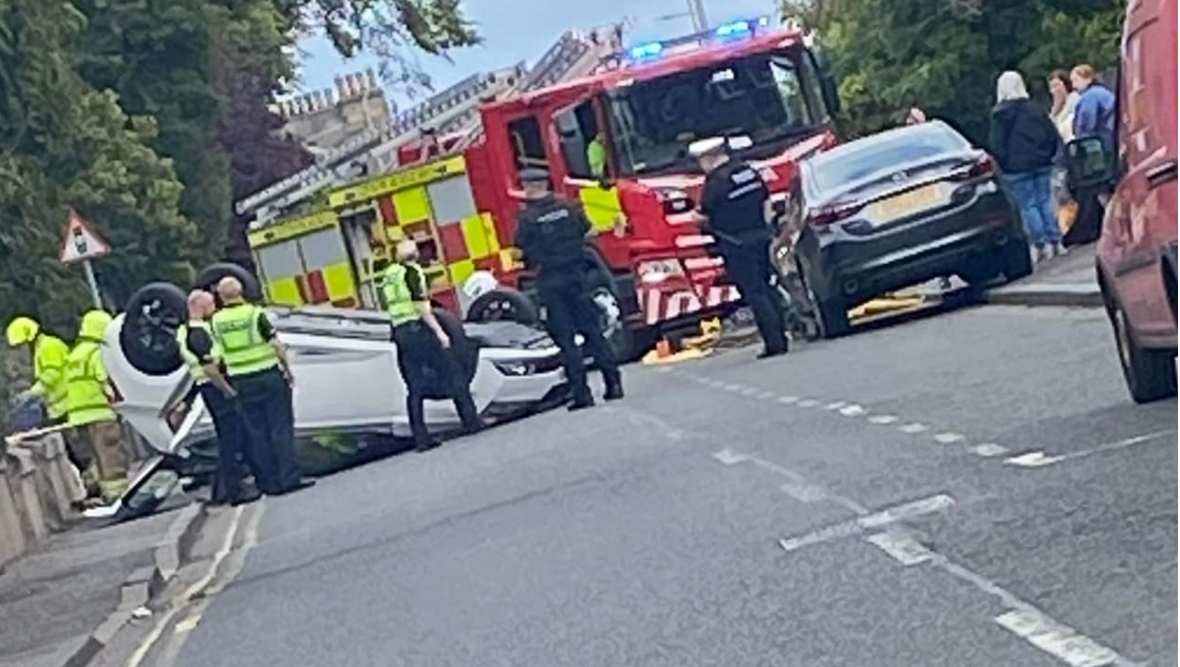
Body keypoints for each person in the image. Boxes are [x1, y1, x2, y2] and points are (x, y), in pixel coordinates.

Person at [514, 167, 623, 409]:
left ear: (531, 187)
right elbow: (587, 230)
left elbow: (519, 249)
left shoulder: (527, 219)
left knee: (566, 340)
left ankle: (582, 393)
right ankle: (613, 384)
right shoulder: (569, 207)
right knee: (593, 332)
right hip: (578, 277)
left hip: (551, 282)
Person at [208, 277, 311, 496]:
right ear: (241, 291)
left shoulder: (215, 322)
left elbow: (216, 357)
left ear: (221, 296)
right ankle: (289, 478)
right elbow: (276, 345)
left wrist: (226, 384)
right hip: (268, 376)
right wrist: (288, 370)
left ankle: (270, 483)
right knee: (280, 428)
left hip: (242, 382)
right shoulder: (255, 314)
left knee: (257, 433)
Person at [381, 239, 484, 451]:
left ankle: (421, 438)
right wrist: (439, 331)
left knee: (414, 386)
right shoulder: (412, 272)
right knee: (453, 370)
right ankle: (471, 422)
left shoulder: (389, 274)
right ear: (415, 255)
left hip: (399, 332)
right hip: (417, 328)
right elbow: (420, 304)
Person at [693, 137, 789, 358]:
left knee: (754, 292)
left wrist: (695, 218)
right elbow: (767, 200)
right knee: (768, 286)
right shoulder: (747, 171)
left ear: (710, 158)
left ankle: (774, 342)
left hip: (735, 243)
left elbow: (702, 214)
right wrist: (766, 228)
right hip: (761, 236)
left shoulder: (716, 182)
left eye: (701, 161)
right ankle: (783, 333)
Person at [177, 290, 260, 505]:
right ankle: (234, 491)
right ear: (200, 306)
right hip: (215, 388)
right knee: (230, 440)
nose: (214, 308)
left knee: (232, 438)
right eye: (211, 304)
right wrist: (227, 390)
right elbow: (210, 368)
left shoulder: (188, 330)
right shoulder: (198, 333)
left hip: (209, 387)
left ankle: (226, 490)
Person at [989, 71, 1066, 262]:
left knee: (1028, 205)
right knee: (1045, 200)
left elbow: (996, 144)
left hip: (1015, 169)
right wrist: (1047, 154)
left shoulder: (999, 115)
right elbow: (1050, 133)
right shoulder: (1035, 108)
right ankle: (1056, 240)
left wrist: (1005, 162)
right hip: (1041, 162)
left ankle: (1040, 244)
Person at [64, 310, 129, 504]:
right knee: (111, 456)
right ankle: (118, 495)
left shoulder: (74, 355)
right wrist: (118, 402)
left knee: (95, 458)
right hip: (101, 413)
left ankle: (93, 491)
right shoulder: (96, 352)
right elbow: (104, 382)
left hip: (79, 417)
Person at [1066, 64, 1117, 246]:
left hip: (1100, 147)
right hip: (1113, 141)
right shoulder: (1104, 93)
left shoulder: (1089, 98)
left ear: (1087, 78)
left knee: (1100, 186)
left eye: (1076, 80)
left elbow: (1086, 126)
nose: (1073, 85)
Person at [6, 316, 70, 426]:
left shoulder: (48, 346)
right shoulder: (42, 348)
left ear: (29, 339)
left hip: (67, 406)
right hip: (61, 408)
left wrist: (30, 394)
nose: (22, 349)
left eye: (21, 345)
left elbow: (50, 376)